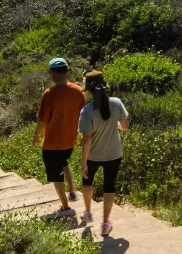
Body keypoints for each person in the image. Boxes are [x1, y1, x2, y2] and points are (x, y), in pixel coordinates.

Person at [78, 70, 129, 237]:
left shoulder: (87, 111)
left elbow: (86, 140)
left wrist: (84, 162)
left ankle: (87, 212)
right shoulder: (116, 103)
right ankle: (106, 223)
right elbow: (125, 126)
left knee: (87, 182)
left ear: (89, 91)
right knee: (109, 186)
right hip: (114, 153)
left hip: (93, 156)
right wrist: (115, 126)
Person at [33, 58, 85, 217]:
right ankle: (72, 188)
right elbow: (84, 115)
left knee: (56, 176)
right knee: (63, 162)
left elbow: (43, 120)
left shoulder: (49, 94)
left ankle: (65, 206)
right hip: (70, 140)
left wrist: (36, 136)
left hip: (52, 143)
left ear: (51, 74)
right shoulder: (78, 91)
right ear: (67, 71)